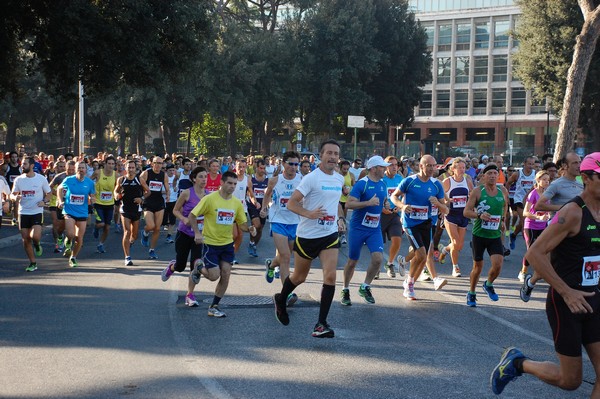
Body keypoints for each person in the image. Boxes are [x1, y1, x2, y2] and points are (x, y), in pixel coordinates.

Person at [490, 152, 600, 396]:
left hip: (594, 299)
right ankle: (517, 363)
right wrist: (566, 292)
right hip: (566, 302)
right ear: (586, 178)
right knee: (570, 380)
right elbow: (536, 254)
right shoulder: (572, 212)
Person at [273, 139, 345, 338]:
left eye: (336, 154)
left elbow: (336, 202)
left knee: (330, 276)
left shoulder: (339, 179)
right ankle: (281, 298)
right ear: (320, 156)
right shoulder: (311, 178)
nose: (332, 157)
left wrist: (339, 218)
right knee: (299, 277)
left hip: (329, 235)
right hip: (307, 236)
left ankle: (321, 323)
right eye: (328, 153)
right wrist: (309, 213)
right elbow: (292, 204)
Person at [189, 171, 256, 317]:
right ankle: (199, 267)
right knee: (214, 276)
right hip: (210, 244)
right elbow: (192, 215)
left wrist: (249, 228)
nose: (232, 186)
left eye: (235, 184)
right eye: (229, 183)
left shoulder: (236, 203)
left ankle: (214, 306)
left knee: (226, 274)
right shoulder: (210, 199)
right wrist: (197, 233)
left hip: (227, 244)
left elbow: (242, 224)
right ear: (222, 183)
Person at [521, 152, 583, 299]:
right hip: (558, 229)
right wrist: (565, 208)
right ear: (565, 166)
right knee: (548, 264)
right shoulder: (557, 184)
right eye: (574, 163)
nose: (578, 165)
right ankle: (531, 282)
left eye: (579, 162)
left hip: (577, 229)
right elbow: (539, 205)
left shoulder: (582, 184)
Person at [390, 155, 445, 300]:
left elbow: (446, 208)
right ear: (421, 166)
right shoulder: (409, 181)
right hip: (410, 223)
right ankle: (409, 284)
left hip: (428, 223)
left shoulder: (436, 184)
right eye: (429, 166)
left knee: (421, 256)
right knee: (421, 254)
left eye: (434, 166)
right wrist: (402, 206)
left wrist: (438, 204)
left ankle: (410, 280)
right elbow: (394, 197)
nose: (432, 168)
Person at [340, 155, 389, 305]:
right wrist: (368, 202)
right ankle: (345, 289)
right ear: (373, 169)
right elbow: (348, 204)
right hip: (358, 228)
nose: (384, 169)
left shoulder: (383, 184)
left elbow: (383, 201)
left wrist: (385, 206)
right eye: (382, 167)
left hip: (374, 229)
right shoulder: (362, 184)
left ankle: (365, 286)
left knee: (378, 259)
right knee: (352, 261)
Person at [161, 166, 209, 307]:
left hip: (199, 236)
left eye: (205, 177)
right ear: (194, 179)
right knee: (181, 266)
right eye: (201, 176)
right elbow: (175, 210)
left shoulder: (209, 196)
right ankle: (172, 267)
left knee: (196, 264)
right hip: (184, 233)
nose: (204, 179)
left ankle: (190, 295)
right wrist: (184, 219)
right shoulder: (187, 193)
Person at [463, 164, 509, 307]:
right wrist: (479, 215)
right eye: (490, 173)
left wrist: (502, 220)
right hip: (479, 234)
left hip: (495, 234)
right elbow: (466, 212)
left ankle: (488, 284)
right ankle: (471, 293)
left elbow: (505, 207)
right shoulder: (478, 191)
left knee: (498, 265)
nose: (493, 176)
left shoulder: (502, 190)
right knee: (478, 267)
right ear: (484, 176)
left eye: (495, 173)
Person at [261, 151, 302, 306]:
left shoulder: (302, 180)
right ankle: (287, 292)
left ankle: (271, 265)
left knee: (286, 255)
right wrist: (265, 208)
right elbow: (267, 195)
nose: (293, 167)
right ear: (283, 164)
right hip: (278, 220)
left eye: (296, 164)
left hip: (295, 222)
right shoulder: (274, 180)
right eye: (290, 163)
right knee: (285, 257)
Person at [10, 157, 52, 272]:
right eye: (22, 164)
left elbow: (49, 193)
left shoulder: (41, 179)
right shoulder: (19, 180)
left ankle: (37, 244)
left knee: (35, 236)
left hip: (36, 211)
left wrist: (45, 201)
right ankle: (33, 262)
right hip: (23, 212)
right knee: (26, 239)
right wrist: (15, 197)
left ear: (32, 165)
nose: (22, 166)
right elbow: (12, 194)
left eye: (25, 164)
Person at [57, 161, 96, 268]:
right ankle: (68, 240)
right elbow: (59, 189)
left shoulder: (89, 182)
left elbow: (92, 195)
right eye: (79, 168)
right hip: (69, 210)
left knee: (79, 238)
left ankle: (73, 257)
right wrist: (60, 200)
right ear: (75, 169)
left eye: (83, 168)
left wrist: (93, 199)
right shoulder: (69, 180)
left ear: (86, 170)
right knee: (70, 234)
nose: (81, 170)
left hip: (82, 212)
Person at [439, 158, 474, 278]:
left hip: (463, 215)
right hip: (451, 214)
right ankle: (455, 267)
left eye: (463, 168)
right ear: (453, 169)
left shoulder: (467, 180)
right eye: (459, 168)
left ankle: (444, 250)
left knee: (459, 245)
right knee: (455, 241)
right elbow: (440, 198)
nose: (461, 170)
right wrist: (447, 201)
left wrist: (471, 200)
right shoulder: (447, 181)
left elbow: (473, 195)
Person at [518, 170, 552, 284]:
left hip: (543, 226)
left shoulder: (547, 194)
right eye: (544, 180)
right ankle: (523, 272)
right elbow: (525, 213)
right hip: (531, 226)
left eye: (548, 180)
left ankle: (542, 272)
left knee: (544, 250)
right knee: (531, 250)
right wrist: (538, 217)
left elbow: (547, 209)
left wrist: (547, 215)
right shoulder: (533, 194)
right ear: (538, 181)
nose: (547, 182)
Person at [379, 156, 407, 279]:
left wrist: (400, 206)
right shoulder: (381, 179)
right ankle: (376, 266)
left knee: (397, 240)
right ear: (385, 166)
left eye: (396, 164)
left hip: (394, 215)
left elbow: (404, 195)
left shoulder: (400, 179)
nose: (394, 167)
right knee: (378, 244)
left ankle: (389, 263)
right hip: (380, 215)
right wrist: (381, 208)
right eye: (391, 164)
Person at [114, 160, 145, 266]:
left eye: (133, 167)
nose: (131, 169)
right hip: (125, 208)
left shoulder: (139, 179)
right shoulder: (121, 179)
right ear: (125, 168)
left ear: (135, 169)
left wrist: (142, 198)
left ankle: (131, 242)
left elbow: (148, 191)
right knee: (126, 232)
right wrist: (116, 195)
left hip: (136, 209)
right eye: (129, 167)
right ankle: (127, 257)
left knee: (134, 235)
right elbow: (116, 191)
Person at [139, 156, 170, 259]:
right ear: (152, 163)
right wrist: (141, 196)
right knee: (151, 226)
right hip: (148, 202)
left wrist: (168, 196)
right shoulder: (146, 173)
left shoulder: (163, 175)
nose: (158, 165)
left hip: (159, 202)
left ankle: (152, 250)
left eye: (160, 163)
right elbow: (139, 185)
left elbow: (167, 187)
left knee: (157, 228)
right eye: (156, 163)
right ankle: (145, 232)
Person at [505, 156, 536, 250]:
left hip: (530, 200)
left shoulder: (536, 173)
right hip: (519, 200)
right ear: (524, 164)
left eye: (532, 164)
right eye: (529, 164)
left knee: (524, 222)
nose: (531, 166)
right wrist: (507, 195)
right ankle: (529, 246)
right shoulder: (517, 174)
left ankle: (513, 235)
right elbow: (508, 183)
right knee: (524, 220)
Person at [91, 156, 117, 254]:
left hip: (110, 204)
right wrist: (91, 194)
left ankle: (100, 244)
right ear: (105, 164)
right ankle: (96, 228)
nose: (111, 166)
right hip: (98, 203)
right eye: (109, 163)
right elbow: (89, 182)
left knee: (107, 227)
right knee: (101, 224)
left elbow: (119, 188)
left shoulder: (116, 175)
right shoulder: (98, 172)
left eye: (112, 164)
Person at [247, 158, 269, 257]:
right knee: (256, 225)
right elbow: (250, 193)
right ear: (256, 168)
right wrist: (255, 203)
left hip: (263, 206)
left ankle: (254, 245)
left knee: (260, 229)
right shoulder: (251, 179)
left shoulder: (268, 180)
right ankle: (251, 242)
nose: (262, 170)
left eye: (264, 168)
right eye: (261, 168)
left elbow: (269, 195)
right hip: (253, 205)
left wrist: (266, 205)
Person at [162, 163, 179, 244]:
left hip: (173, 200)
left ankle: (169, 236)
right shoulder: (163, 178)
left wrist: (175, 189)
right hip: (164, 201)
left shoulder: (176, 178)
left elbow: (177, 189)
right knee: (163, 221)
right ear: (166, 170)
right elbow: (159, 189)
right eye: (170, 170)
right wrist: (166, 192)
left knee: (172, 220)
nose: (172, 172)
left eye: (173, 170)